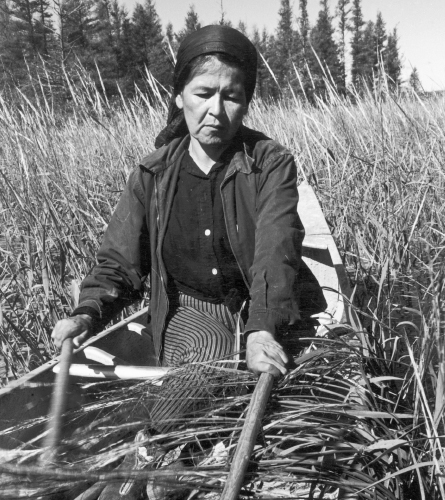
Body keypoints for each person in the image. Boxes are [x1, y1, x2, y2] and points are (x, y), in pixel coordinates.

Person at [51, 25, 304, 498]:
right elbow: (119, 260)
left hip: (256, 307)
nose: (216, 110)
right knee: (205, 351)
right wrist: (88, 311)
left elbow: (278, 248)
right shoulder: (153, 172)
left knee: (232, 372)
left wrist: (264, 327)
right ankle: (160, 453)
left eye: (232, 96)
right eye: (203, 93)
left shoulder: (269, 163)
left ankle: (153, 460)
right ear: (179, 96)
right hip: (191, 310)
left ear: (247, 101)